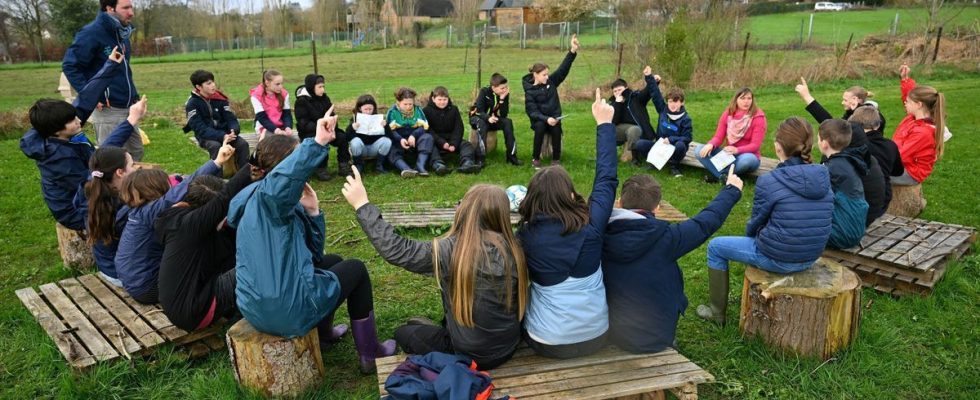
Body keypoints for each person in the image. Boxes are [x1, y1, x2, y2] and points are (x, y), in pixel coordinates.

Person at [228, 110, 395, 374]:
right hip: (285, 309)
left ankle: (324, 334)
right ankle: (371, 354)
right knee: (356, 270)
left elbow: (313, 257)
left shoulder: (257, 199)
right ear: (286, 169)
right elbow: (285, 178)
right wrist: (316, 143)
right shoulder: (271, 199)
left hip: (256, 307)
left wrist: (314, 212)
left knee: (334, 262)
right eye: (297, 162)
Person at [345, 178, 528, 369]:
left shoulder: (451, 250)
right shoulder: (517, 248)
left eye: (460, 203)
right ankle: (439, 329)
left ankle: (436, 335)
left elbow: (397, 250)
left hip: (467, 353)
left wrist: (362, 205)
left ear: (466, 212)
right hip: (508, 347)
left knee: (403, 333)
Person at [698, 118, 834, 325]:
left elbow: (755, 224)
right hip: (811, 255)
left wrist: (758, 239)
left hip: (778, 256)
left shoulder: (769, 180)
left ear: (778, 147)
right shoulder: (823, 176)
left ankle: (716, 312)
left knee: (716, 247)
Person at [517, 89, 617, 358]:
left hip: (546, 340)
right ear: (571, 195)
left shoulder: (524, 236)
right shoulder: (592, 224)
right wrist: (604, 125)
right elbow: (606, 179)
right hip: (596, 336)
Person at [603, 171, 742, 353]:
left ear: (619, 202)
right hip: (656, 336)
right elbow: (705, 222)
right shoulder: (669, 239)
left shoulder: (598, 235)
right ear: (657, 208)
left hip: (610, 331)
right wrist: (731, 190)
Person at [21, 49, 139, 231]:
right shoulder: (59, 158)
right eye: (72, 120)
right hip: (78, 210)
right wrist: (130, 121)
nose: (79, 120)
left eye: (75, 117)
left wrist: (111, 64)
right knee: (139, 208)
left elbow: (86, 98)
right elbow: (96, 177)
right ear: (56, 129)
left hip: (91, 189)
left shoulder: (59, 130)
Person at [115, 147, 230, 303]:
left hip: (133, 282)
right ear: (156, 190)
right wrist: (216, 163)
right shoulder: (150, 211)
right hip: (149, 287)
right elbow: (183, 189)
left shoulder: (136, 212)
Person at [156, 156, 253, 331]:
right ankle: (249, 317)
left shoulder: (176, 216)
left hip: (183, 305)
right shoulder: (189, 226)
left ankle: (235, 308)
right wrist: (252, 165)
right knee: (258, 264)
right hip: (195, 311)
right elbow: (223, 198)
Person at [795, 77, 888, 226]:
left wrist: (807, 97)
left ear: (855, 100)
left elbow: (831, 125)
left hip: (859, 219)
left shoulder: (842, 162)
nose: (842, 102)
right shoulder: (858, 146)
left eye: (845, 100)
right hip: (870, 210)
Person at [62, 0, 143, 160]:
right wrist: (91, 95)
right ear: (109, 8)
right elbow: (70, 66)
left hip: (128, 107)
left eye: (131, 7)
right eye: (126, 8)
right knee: (110, 161)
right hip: (107, 109)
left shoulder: (122, 33)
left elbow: (123, 71)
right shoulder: (91, 33)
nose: (131, 12)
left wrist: (133, 95)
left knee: (136, 156)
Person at [523, 34, 580, 168]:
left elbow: (563, 69)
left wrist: (572, 51)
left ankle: (556, 159)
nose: (547, 77)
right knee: (541, 127)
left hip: (554, 118)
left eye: (547, 74)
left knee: (556, 127)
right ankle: (535, 159)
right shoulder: (529, 90)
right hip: (540, 120)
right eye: (544, 75)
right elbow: (532, 112)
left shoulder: (552, 82)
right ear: (535, 75)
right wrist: (545, 119)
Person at [84, 146, 136, 286]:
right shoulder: (125, 208)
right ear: (120, 172)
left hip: (107, 269)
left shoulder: (93, 193)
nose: (135, 169)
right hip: (124, 276)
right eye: (132, 165)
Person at [630, 66, 693, 177]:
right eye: (670, 101)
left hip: (675, 148)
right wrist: (649, 76)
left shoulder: (685, 119)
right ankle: (654, 162)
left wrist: (671, 139)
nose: (672, 105)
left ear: (682, 103)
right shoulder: (662, 110)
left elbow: (688, 138)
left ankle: (674, 166)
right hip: (661, 146)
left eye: (676, 102)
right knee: (640, 144)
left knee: (681, 145)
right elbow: (655, 94)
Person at [694, 88, 766, 182]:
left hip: (747, 155)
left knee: (747, 160)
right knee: (699, 150)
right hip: (729, 155)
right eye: (743, 98)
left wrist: (737, 150)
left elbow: (755, 145)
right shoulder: (728, 114)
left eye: (749, 98)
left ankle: (717, 175)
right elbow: (718, 137)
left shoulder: (758, 117)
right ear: (736, 99)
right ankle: (722, 177)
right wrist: (711, 144)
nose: (746, 101)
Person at [818, 119, 869, 249]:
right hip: (855, 230)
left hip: (841, 234)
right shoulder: (848, 161)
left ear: (824, 144)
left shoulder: (830, 169)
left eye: (818, 138)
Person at [184, 69, 249, 170]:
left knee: (243, 144)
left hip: (227, 134)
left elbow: (231, 118)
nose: (213, 85)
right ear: (198, 87)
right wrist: (221, 136)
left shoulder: (219, 99)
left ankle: (244, 176)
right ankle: (216, 178)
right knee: (215, 146)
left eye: (213, 82)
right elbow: (200, 128)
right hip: (206, 136)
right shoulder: (192, 104)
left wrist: (233, 130)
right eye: (208, 83)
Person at [892, 64, 946, 186]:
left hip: (910, 173)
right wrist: (905, 79)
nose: (905, 102)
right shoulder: (913, 117)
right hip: (902, 162)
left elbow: (900, 156)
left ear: (919, 105)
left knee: (870, 174)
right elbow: (910, 95)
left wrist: (880, 157)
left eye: (908, 102)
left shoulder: (922, 132)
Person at [294, 73, 352, 181]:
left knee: (342, 137)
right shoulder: (301, 102)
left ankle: (343, 165)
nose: (322, 90)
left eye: (323, 86)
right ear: (312, 87)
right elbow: (303, 123)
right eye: (319, 87)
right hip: (310, 132)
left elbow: (332, 114)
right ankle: (320, 168)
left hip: (328, 129)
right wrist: (321, 126)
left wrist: (332, 125)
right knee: (322, 141)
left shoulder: (325, 98)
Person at [423, 86, 479, 175]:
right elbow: (428, 130)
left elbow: (459, 127)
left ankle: (467, 163)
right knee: (429, 146)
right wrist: (442, 143)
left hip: (451, 138)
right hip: (436, 140)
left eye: (445, 99)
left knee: (466, 145)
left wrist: (454, 143)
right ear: (433, 99)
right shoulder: (426, 111)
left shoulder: (454, 109)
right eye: (439, 99)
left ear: (448, 99)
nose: (442, 102)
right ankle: (438, 165)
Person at [470, 73, 521, 166]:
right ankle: (480, 159)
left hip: (492, 119)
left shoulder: (504, 94)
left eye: (506, 87)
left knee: (508, 122)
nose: (505, 89)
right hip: (477, 118)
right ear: (493, 87)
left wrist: (502, 100)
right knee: (482, 124)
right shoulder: (484, 92)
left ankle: (512, 156)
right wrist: (488, 118)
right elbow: (478, 111)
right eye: (502, 88)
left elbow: (504, 114)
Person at [607, 67, 655, 164]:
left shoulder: (635, 97)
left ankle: (635, 158)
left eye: (619, 90)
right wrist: (617, 104)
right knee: (604, 130)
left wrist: (652, 80)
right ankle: (605, 157)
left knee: (634, 130)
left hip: (638, 129)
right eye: (615, 91)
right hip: (620, 130)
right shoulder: (613, 103)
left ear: (626, 88)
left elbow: (647, 92)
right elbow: (613, 121)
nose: (617, 93)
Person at [385, 87, 432, 178]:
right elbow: (390, 130)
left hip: (415, 137)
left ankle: (420, 166)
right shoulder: (392, 111)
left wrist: (414, 135)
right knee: (390, 145)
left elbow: (424, 126)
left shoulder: (418, 110)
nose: (408, 106)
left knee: (428, 138)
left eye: (410, 104)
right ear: (398, 102)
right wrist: (400, 139)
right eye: (405, 104)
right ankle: (406, 169)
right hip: (398, 137)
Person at [849, 106, 904, 179]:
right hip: (884, 188)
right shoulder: (890, 145)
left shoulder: (853, 145)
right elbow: (898, 171)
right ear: (878, 125)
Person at [346, 95, 394, 174]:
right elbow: (347, 138)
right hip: (361, 149)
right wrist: (352, 128)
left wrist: (386, 127)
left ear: (374, 108)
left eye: (370, 109)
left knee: (387, 141)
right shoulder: (355, 119)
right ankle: (358, 165)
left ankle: (379, 165)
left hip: (374, 148)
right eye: (365, 109)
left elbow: (390, 137)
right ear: (360, 108)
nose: (368, 111)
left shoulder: (378, 119)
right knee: (355, 141)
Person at [249, 70, 293, 139]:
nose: (281, 87)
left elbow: (286, 114)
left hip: (281, 127)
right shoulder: (256, 96)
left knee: (293, 142)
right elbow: (262, 118)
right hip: (264, 128)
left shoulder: (284, 94)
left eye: (281, 83)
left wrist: (288, 127)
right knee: (275, 140)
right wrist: (276, 130)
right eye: (277, 84)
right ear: (267, 83)